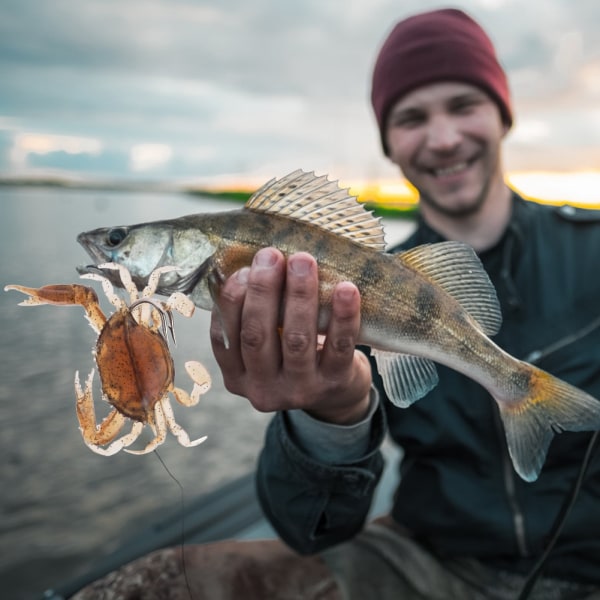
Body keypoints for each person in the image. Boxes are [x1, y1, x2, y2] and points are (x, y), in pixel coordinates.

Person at [73, 8, 600, 600]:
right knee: (152, 587)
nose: (443, 137)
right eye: (412, 117)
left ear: (503, 115)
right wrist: (331, 415)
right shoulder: (373, 277)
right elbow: (313, 530)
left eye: (463, 105)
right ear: (390, 143)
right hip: (426, 559)